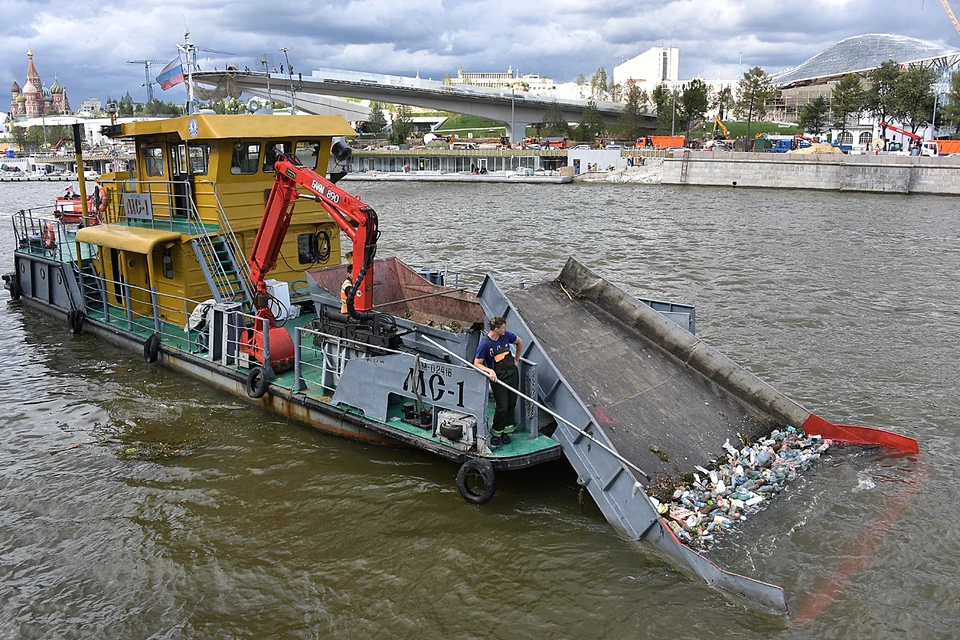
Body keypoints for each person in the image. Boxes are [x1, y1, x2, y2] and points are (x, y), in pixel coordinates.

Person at [474, 316, 523, 447]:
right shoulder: (485, 344)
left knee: (512, 403)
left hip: (512, 374)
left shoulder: (506, 336)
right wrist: (490, 371)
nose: (505, 329)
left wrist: (516, 359)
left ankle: (506, 432)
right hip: (498, 378)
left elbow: (519, 342)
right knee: (503, 406)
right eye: (503, 328)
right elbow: (477, 363)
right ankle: (496, 433)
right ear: (496, 329)